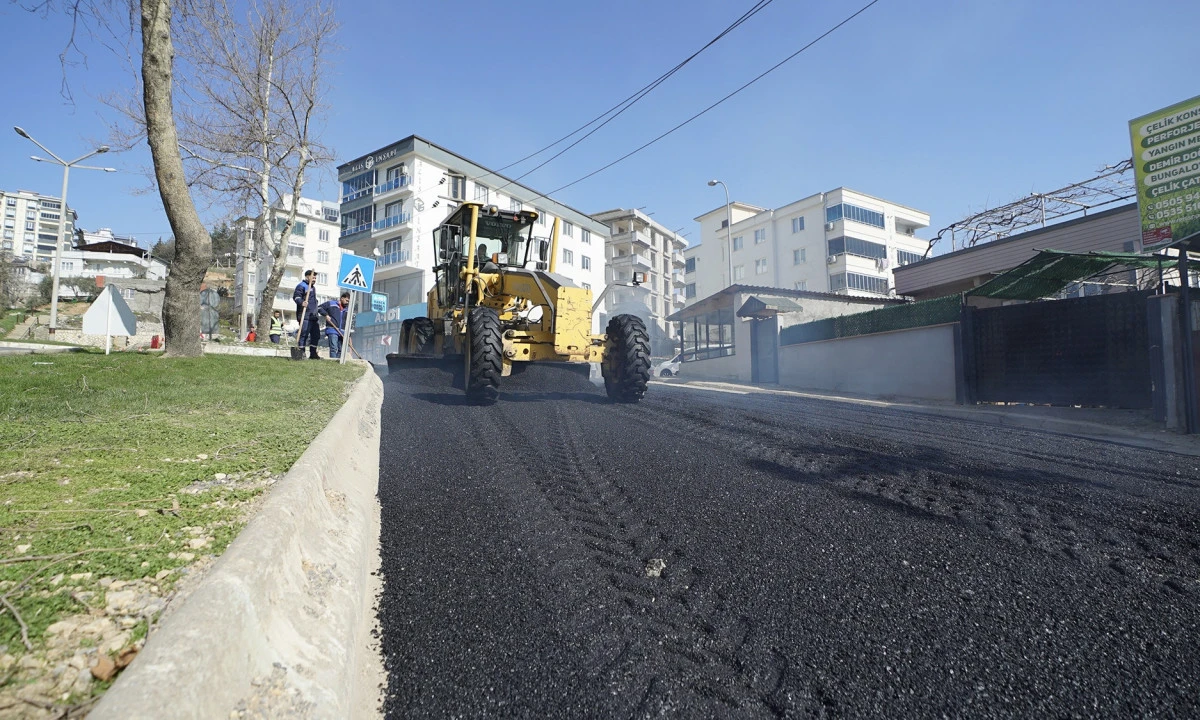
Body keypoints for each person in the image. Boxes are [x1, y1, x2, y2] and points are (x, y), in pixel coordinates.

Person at [293, 270, 320, 359]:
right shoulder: (301, 286)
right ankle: (301, 353)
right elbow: (296, 297)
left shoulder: (313, 288)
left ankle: (313, 353)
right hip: (305, 315)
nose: (314, 279)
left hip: (313, 316)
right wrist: (302, 302)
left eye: (315, 278)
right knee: (304, 334)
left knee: (316, 335)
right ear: (307, 277)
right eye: (313, 277)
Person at [317, 291, 351, 360]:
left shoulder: (347, 310)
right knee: (333, 348)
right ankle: (333, 362)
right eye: (346, 300)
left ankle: (338, 363)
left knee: (341, 350)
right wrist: (326, 315)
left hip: (342, 332)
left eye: (348, 301)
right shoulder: (331, 304)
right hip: (332, 329)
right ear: (342, 298)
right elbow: (319, 308)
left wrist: (348, 334)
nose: (347, 302)